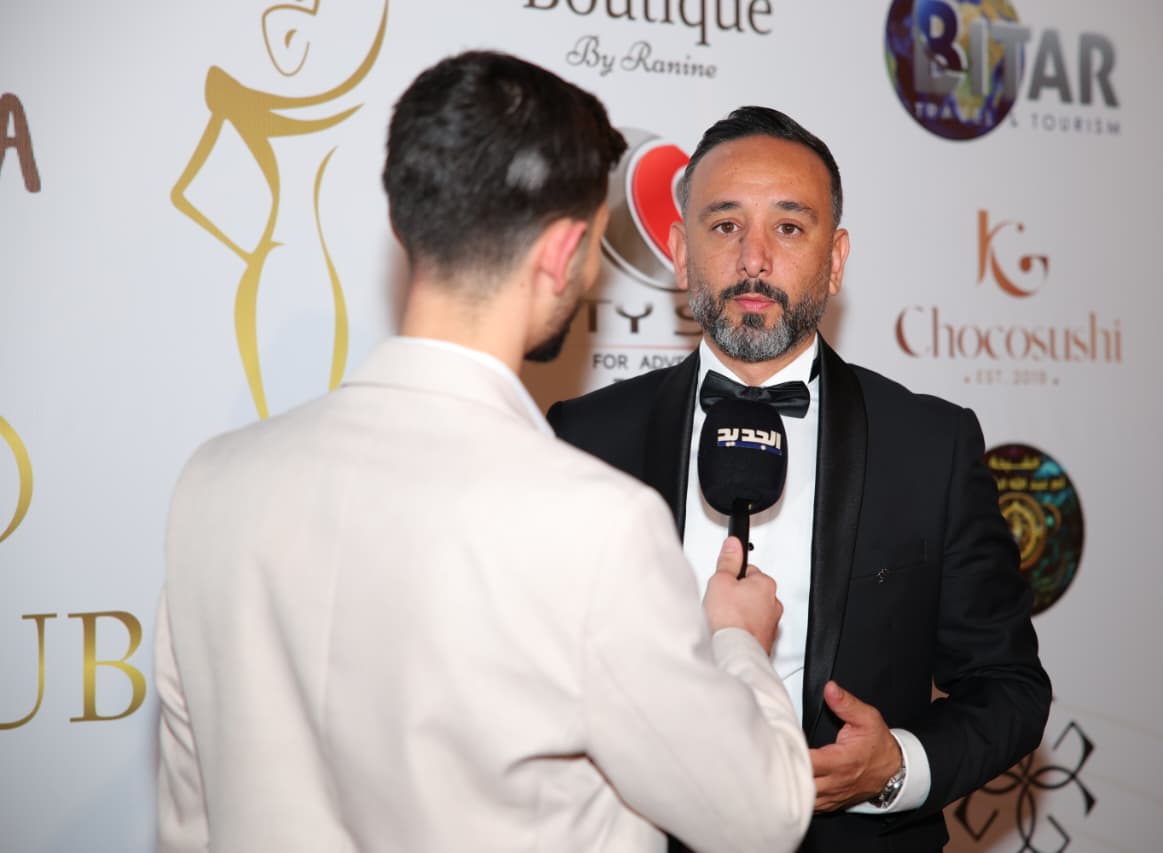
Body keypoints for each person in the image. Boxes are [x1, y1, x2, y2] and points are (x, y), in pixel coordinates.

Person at [154, 56, 814, 853]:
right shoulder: (595, 524)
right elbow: (761, 818)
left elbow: (190, 823)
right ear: (563, 252)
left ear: (404, 225)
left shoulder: (212, 482)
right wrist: (737, 638)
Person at [548, 106, 1052, 852]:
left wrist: (894, 768)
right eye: (725, 226)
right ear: (681, 254)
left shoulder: (930, 445)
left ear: (835, 259)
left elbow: (1008, 687)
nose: (754, 258)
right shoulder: (584, 439)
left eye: (788, 227)